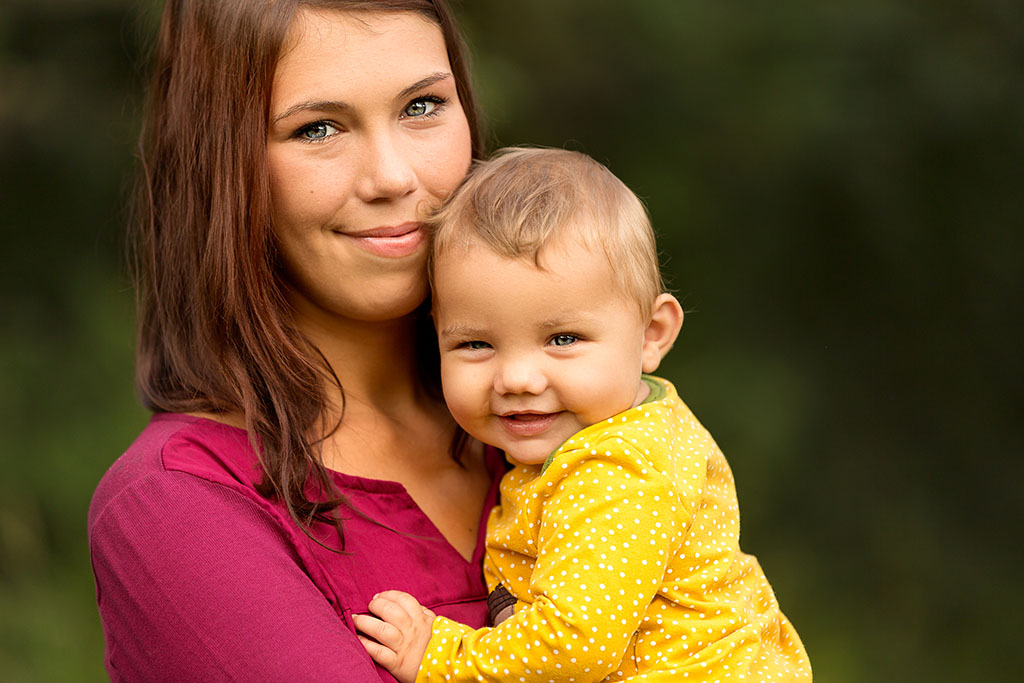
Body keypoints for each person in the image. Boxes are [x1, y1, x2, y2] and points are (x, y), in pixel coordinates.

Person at [87, 2, 501, 681]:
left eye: (422, 107)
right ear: (223, 164)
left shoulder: (551, 412)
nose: (393, 176)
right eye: (318, 128)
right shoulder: (182, 506)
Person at [354, 147, 813, 681]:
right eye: (476, 344)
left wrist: (440, 657)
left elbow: (576, 645)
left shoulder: (618, 471)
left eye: (563, 339)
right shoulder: (625, 424)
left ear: (651, 335)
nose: (517, 379)